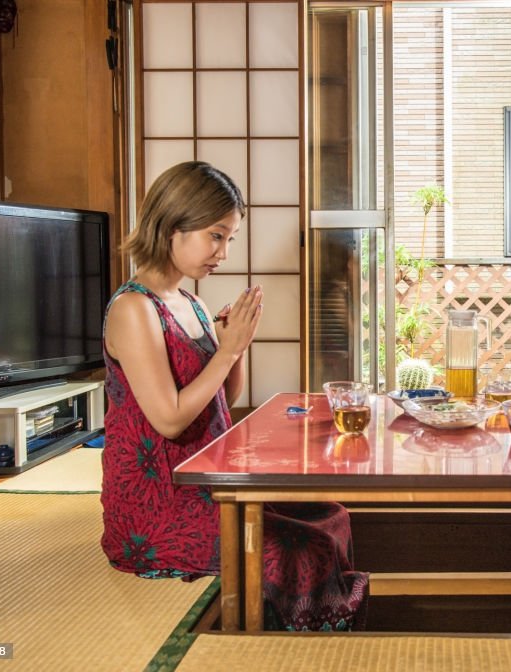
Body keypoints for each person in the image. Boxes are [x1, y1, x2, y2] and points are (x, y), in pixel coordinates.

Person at [100, 161, 367, 631]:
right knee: (305, 547)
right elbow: (169, 420)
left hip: (214, 482)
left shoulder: (192, 302)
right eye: (215, 236)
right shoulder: (133, 309)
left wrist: (236, 349)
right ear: (171, 228)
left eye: (230, 239)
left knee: (332, 515)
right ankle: (287, 648)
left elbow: (226, 394)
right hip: (162, 502)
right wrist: (227, 348)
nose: (222, 252)